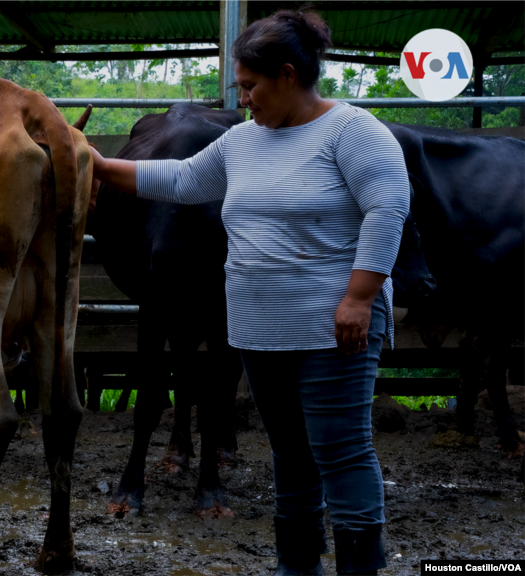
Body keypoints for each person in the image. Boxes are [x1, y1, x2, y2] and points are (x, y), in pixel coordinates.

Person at [90, 9, 408, 576]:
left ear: (287, 75)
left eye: (250, 86)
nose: (245, 99)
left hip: (333, 328)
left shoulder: (354, 132)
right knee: (290, 455)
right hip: (260, 330)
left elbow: (388, 209)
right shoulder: (242, 143)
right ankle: (298, 566)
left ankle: (359, 568)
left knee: (340, 451)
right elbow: (182, 180)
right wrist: (96, 165)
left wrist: (361, 297)